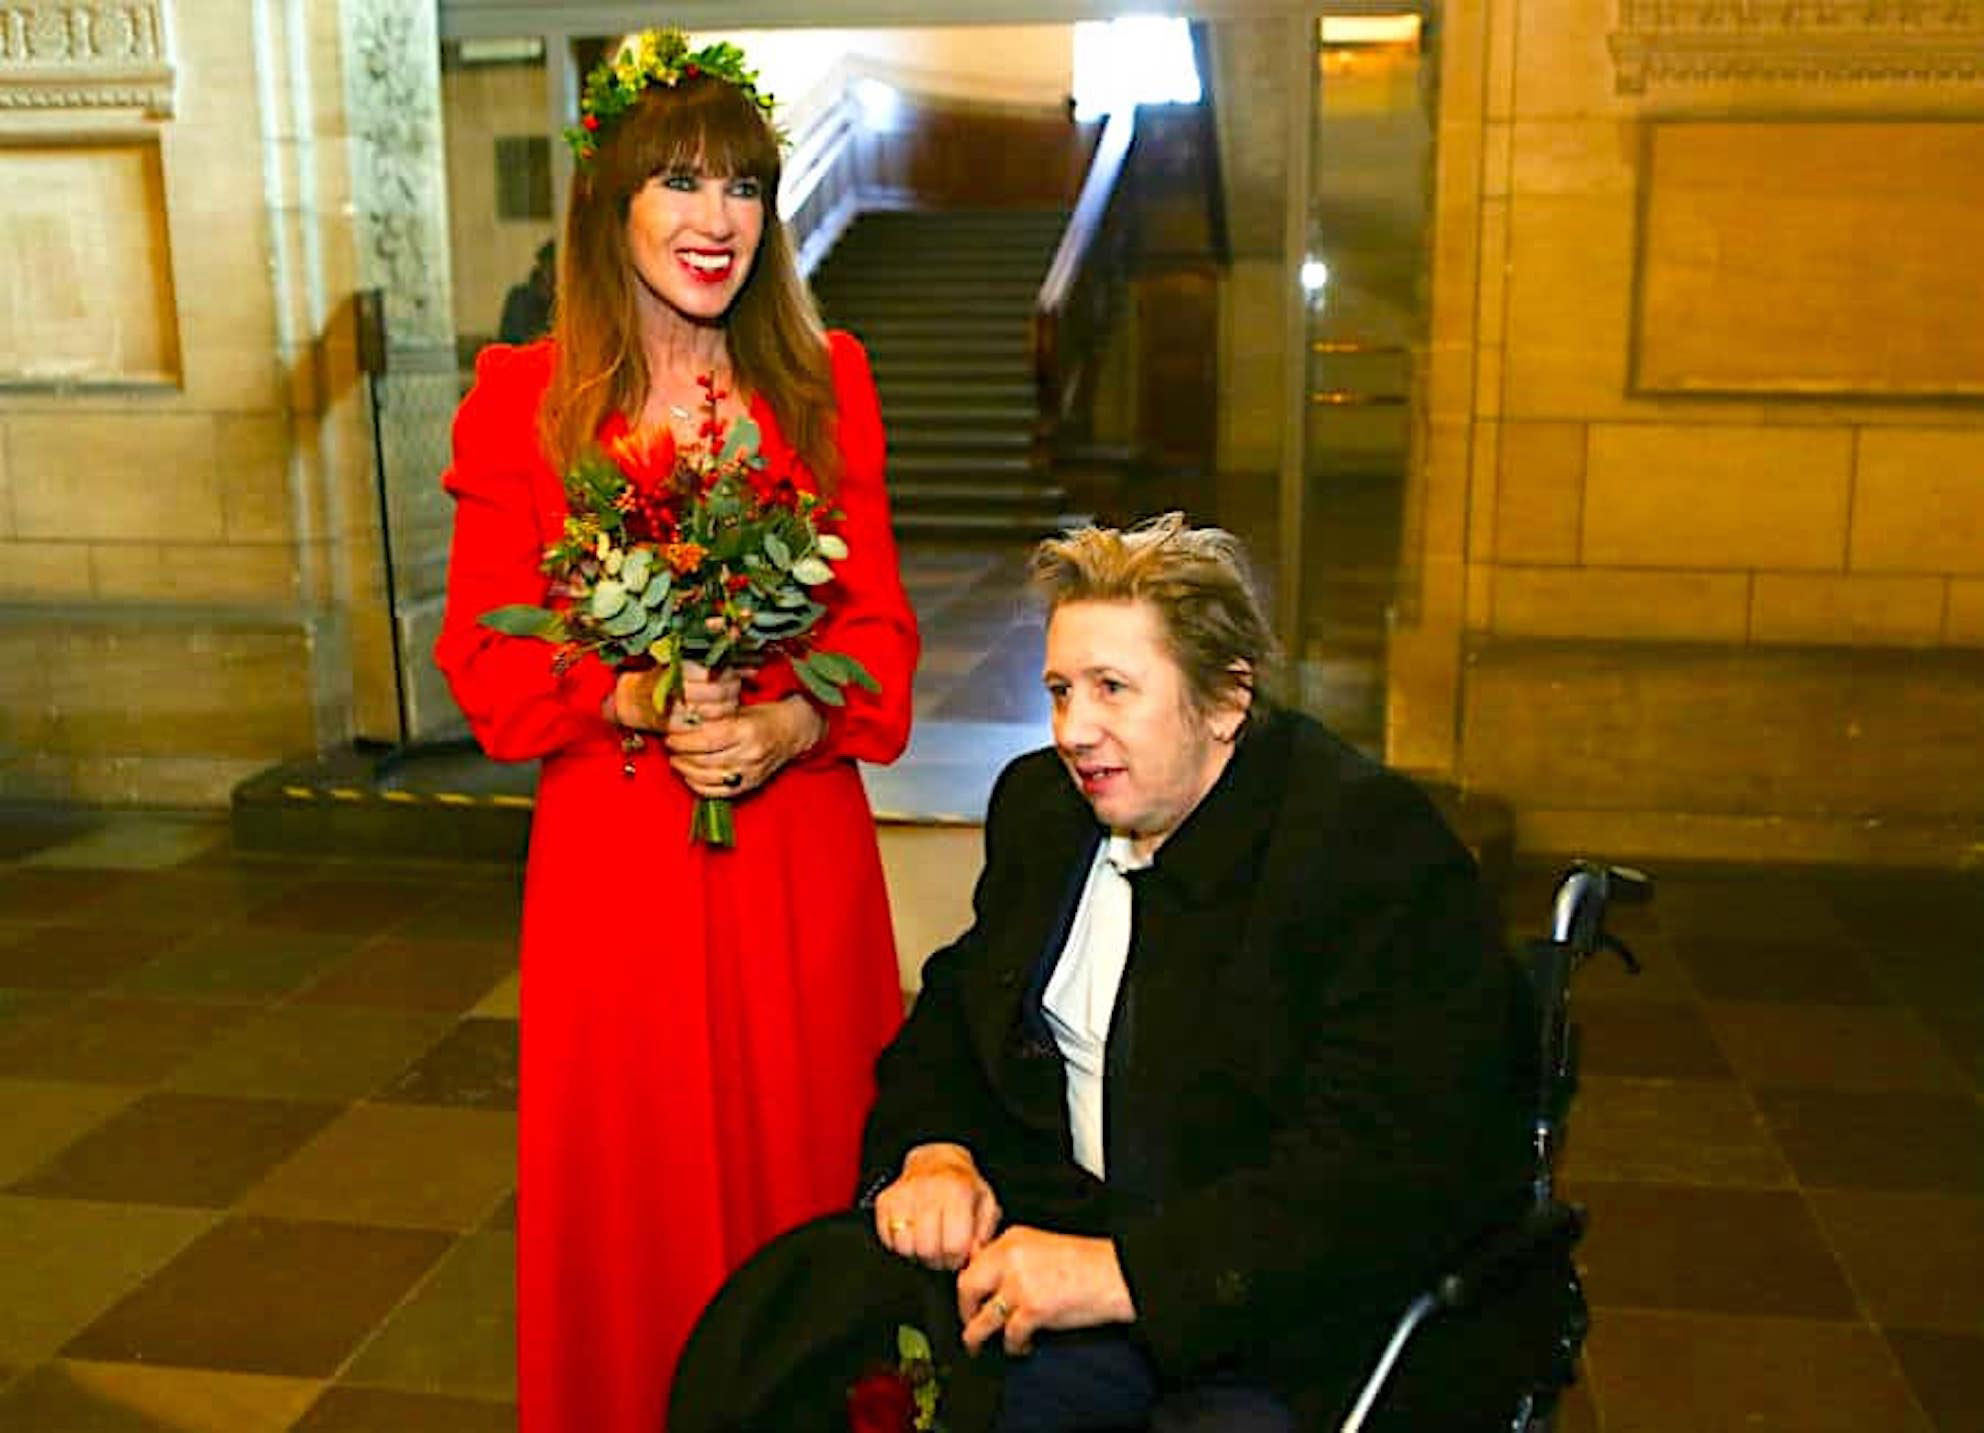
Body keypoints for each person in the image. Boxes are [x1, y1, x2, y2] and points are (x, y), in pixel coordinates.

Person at [672, 515, 1560, 1432]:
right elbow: (953, 1017)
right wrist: (935, 1150)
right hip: (1063, 1257)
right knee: (802, 1371)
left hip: (1284, 1314)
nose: (1073, 729)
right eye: (1059, 689)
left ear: (1226, 700)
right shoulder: (1046, 806)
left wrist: (1120, 1275)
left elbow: (1382, 1173)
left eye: (1111, 688)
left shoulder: (1366, 853)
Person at [433, 28, 918, 1432]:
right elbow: (484, 654)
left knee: (806, 1157)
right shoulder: (524, 400)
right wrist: (631, 694)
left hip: (793, 853)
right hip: (621, 857)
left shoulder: (826, 385)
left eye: (747, 188)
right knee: (632, 1182)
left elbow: (878, 638)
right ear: (610, 200)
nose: (720, 222)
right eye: (684, 183)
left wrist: (784, 724)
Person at [497, 240, 556, 343]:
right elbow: (512, 338)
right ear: (541, 267)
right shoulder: (519, 299)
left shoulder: (564, 302)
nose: (553, 273)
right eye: (549, 266)